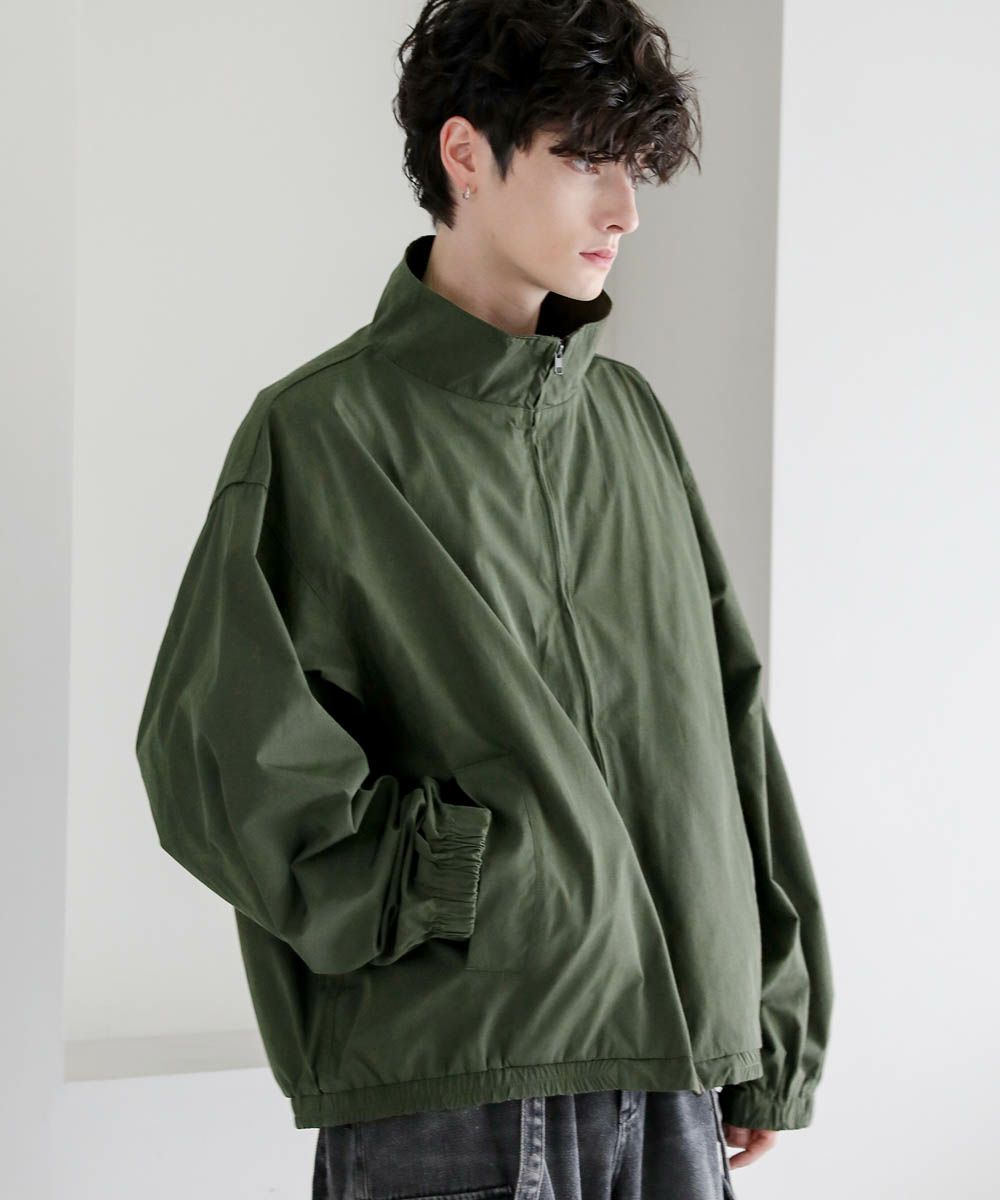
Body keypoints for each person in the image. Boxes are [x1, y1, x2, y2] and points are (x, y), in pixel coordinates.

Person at [135, 1, 834, 1196]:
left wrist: (766, 1017)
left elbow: (725, 725)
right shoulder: (320, 433)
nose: (622, 209)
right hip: (463, 1090)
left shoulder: (628, 421)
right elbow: (214, 753)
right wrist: (444, 877)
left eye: (633, 167)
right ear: (464, 153)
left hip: (675, 1074)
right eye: (584, 159)